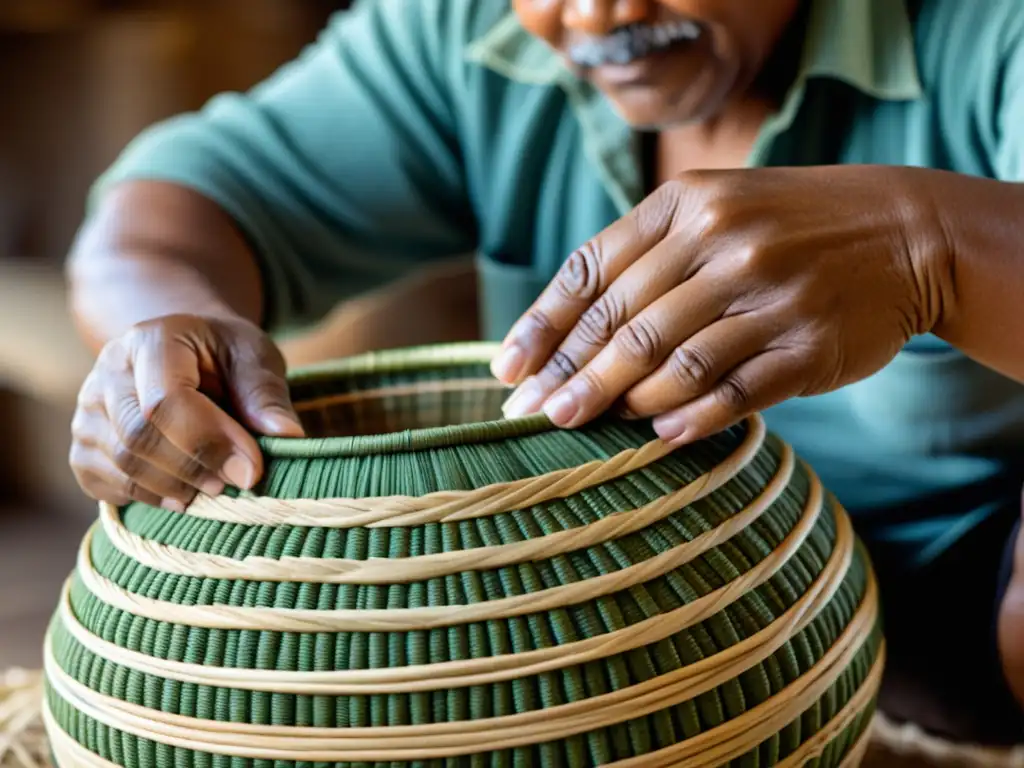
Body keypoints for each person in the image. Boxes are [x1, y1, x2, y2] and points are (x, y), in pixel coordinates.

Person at [66, 0, 1024, 746]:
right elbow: (165, 214)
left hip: (961, 638)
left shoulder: (989, 38)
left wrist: (928, 247)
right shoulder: (464, 34)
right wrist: (157, 331)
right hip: (600, 651)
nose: (599, 16)